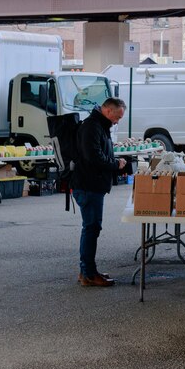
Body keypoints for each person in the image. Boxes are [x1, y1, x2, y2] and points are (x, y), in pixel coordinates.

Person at [73, 97, 127, 287]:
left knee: (91, 228)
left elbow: (97, 153)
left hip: (92, 185)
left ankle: (86, 271)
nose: (118, 121)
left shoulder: (99, 125)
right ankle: (88, 274)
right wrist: (115, 164)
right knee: (91, 228)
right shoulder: (92, 126)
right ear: (108, 111)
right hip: (88, 186)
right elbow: (93, 157)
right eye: (117, 116)